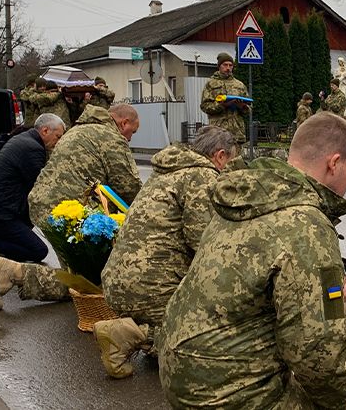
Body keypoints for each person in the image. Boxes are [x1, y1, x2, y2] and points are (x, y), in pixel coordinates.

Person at [160, 113, 346, 409]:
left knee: (343, 293)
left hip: (180, 375)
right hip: (227, 397)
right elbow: (317, 356)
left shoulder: (248, 195)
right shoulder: (308, 223)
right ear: (333, 163)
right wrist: (341, 403)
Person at [95, 126, 239, 379]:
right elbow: (203, 242)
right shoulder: (202, 176)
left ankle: (140, 331)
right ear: (220, 156)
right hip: (152, 287)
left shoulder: (166, 172)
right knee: (211, 338)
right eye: (231, 162)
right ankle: (132, 334)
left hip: (118, 280)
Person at [0, 103, 142, 309]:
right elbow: (129, 187)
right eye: (133, 132)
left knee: (78, 276)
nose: (130, 138)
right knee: (87, 283)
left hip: (47, 204)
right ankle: (16, 273)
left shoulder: (76, 131)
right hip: (69, 210)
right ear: (124, 123)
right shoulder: (111, 138)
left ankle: (16, 273)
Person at [0, 114, 67, 269]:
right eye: (58, 136)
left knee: (23, 233)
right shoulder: (33, 148)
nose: (59, 142)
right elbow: (41, 188)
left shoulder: (23, 139)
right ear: (45, 131)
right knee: (38, 250)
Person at [199, 53, 250, 149]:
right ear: (219, 66)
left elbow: (249, 108)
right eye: (225, 65)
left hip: (236, 132)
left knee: (236, 158)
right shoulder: (211, 84)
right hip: (217, 132)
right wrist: (222, 105)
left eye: (230, 65)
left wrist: (242, 107)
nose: (228, 68)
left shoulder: (239, 85)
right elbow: (204, 106)